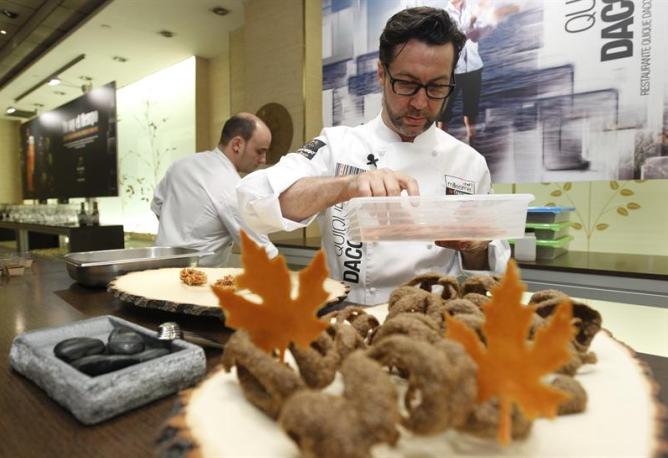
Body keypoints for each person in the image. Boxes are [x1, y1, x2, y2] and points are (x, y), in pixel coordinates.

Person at [237, 7, 510, 305]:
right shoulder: (338, 145)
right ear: (382, 73)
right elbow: (252, 200)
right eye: (406, 83)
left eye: (437, 87)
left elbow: (492, 269)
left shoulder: (469, 164)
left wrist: (476, 247)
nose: (420, 102)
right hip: (346, 315)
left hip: (431, 322)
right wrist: (346, 186)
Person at [151, 113, 278, 267]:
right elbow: (262, 252)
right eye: (260, 151)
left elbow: (158, 205)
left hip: (158, 271)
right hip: (194, 280)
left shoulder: (181, 164)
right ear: (237, 144)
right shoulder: (232, 187)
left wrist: (181, 233)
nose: (263, 159)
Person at [437, 0, 519, 144]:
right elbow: (451, 37)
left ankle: (472, 144)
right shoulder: (444, 14)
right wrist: (471, 22)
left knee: (471, 111)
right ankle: (440, 146)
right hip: (452, 71)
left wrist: (490, 22)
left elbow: (479, 32)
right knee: (444, 113)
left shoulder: (474, 8)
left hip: (474, 67)